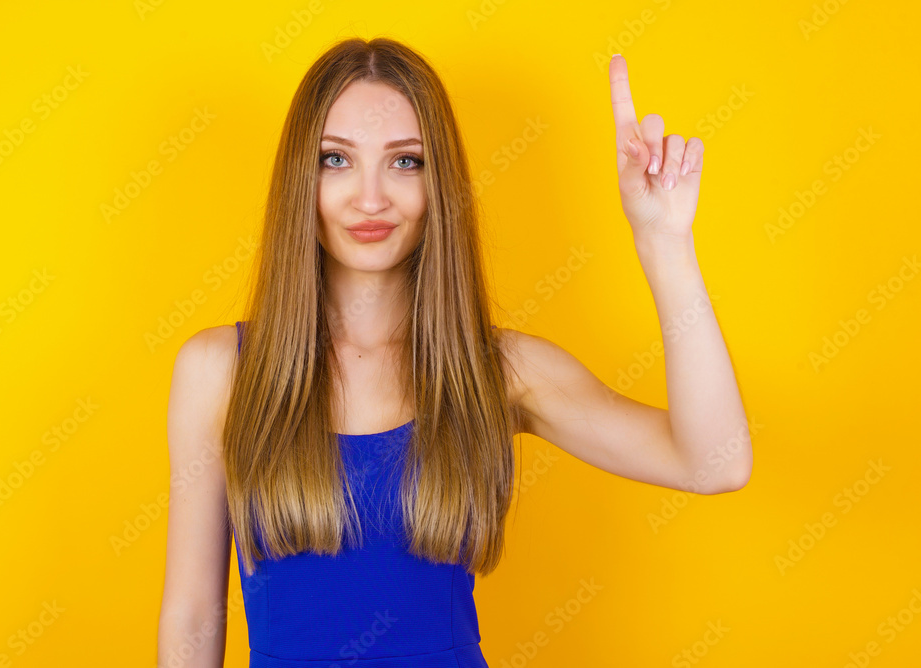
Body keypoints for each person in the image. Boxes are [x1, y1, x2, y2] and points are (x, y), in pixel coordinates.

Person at [157, 37, 752, 668]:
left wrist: (666, 243)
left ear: (440, 179)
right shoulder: (219, 371)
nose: (370, 198)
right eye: (336, 159)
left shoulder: (498, 372)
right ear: (299, 175)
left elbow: (714, 463)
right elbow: (194, 612)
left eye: (405, 162)